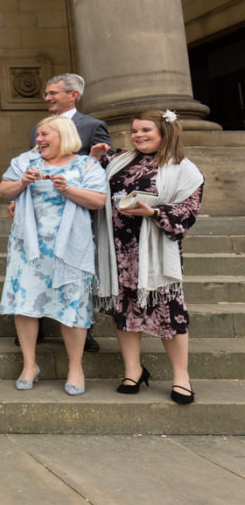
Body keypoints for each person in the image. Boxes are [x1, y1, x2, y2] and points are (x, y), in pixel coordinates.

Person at [91, 110, 204, 404]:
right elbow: (94, 183)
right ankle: (133, 370)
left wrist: (153, 212)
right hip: (119, 250)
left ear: (165, 132)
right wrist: (94, 157)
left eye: (145, 130)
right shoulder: (119, 161)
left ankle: (181, 376)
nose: (138, 135)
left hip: (154, 251)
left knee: (169, 312)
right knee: (124, 310)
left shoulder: (183, 168)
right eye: (134, 131)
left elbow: (187, 213)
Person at [0, 116, 107, 396]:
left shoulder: (86, 164)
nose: (39, 140)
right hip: (29, 246)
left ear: (63, 135)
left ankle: (75, 367)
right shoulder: (25, 161)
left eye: (45, 135)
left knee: (72, 304)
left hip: (71, 247)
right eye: (38, 135)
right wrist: (22, 182)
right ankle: (29, 364)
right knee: (25, 302)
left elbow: (98, 200)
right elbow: (3, 190)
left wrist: (67, 189)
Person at [14, 72, 112, 352]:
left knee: (76, 269)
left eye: (53, 93)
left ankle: (83, 329)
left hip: (76, 208)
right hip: (38, 211)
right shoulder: (37, 128)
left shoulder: (92, 125)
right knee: (36, 267)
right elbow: (29, 162)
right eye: (46, 93)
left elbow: (107, 165)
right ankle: (36, 326)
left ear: (73, 94)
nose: (47, 98)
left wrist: (92, 159)